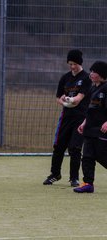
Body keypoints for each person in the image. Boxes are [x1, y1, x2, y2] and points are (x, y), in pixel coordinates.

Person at [43, 49, 91, 187]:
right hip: (66, 118)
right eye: (70, 64)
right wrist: (63, 101)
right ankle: (55, 174)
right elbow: (58, 97)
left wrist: (69, 99)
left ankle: (74, 178)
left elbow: (78, 99)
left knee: (75, 148)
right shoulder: (65, 78)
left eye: (74, 64)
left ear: (80, 63)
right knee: (58, 146)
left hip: (80, 118)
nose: (72, 66)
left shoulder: (86, 78)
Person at [74, 61, 107, 193]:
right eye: (91, 71)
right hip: (89, 130)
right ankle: (88, 183)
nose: (91, 74)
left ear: (102, 74)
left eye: (94, 72)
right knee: (87, 157)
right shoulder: (93, 88)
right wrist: (84, 123)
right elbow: (91, 110)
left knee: (101, 156)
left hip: (101, 130)